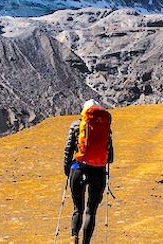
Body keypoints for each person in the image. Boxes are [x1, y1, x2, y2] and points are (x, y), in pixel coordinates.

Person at [63, 99, 114, 244]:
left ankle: (74, 238)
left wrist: (68, 172)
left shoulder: (75, 126)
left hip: (78, 169)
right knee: (91, 210)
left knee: (77, 208)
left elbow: (68, 152)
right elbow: (110, 158)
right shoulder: (106, 129)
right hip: (98, 173)